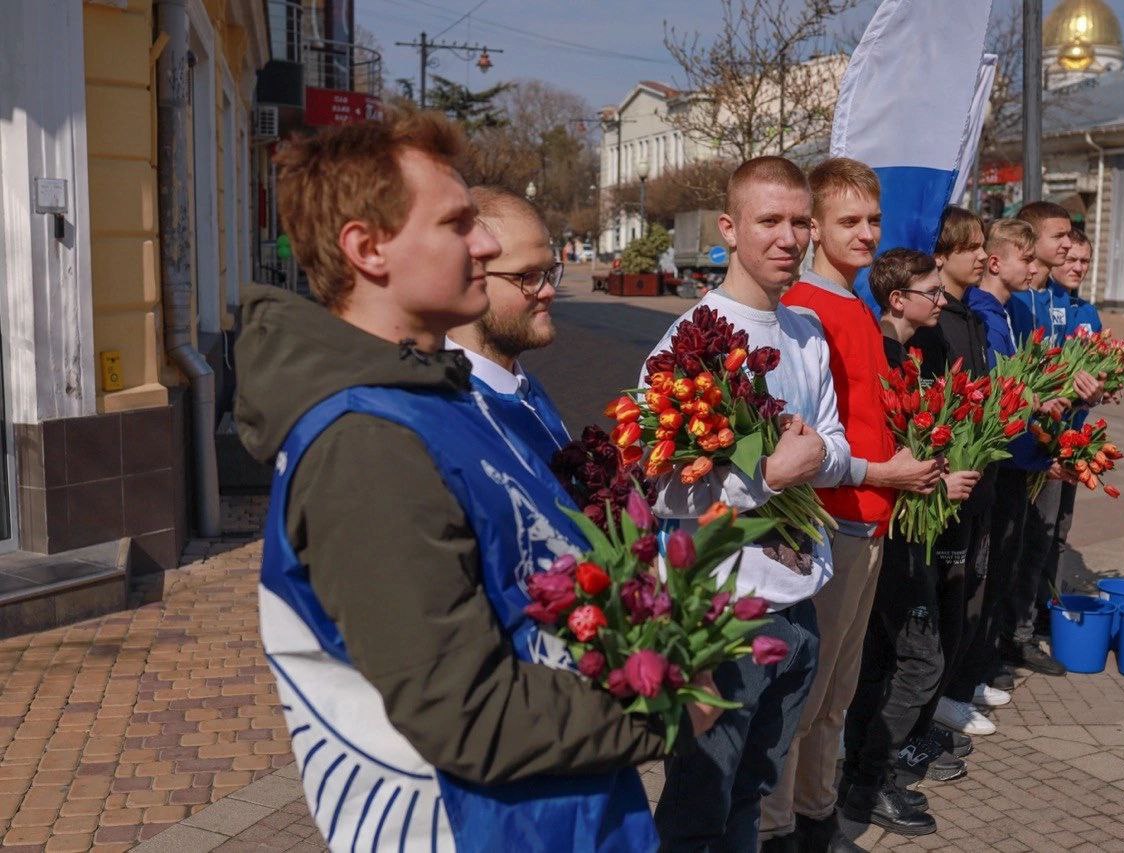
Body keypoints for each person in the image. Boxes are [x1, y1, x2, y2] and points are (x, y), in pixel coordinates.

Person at [235, 108, 716, 852]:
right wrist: (664, 705)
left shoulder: (447, 399)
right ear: (368, 248)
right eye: (458, 224)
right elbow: (466, 711)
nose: (485, 242)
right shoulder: (365, 443)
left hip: (569, 815)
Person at [646, 156, 849, 852]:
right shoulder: (687, 343)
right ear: (729, 229)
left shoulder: (806, 334)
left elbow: (832, 443)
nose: (788, 237)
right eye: (770, 221)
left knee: (754, 793)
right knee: (699, 805)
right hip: (725, 619)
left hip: (798, 606)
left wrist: (818, 457)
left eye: (800, 221)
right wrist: (766, 474)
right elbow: (666, 487)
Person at [758, 158, 943, 852]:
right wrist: (886, 469)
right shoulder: (808, 311)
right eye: (848, 221)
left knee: (837, 690)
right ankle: (778, 826)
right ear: (816, 230)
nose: (866, 233)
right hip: (834, 516)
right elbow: (809, 432)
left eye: (873, 221)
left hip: (870, 515)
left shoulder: (855, 305)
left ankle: (818, 814)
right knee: (804, 695)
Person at [840, 248, 981, 838]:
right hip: (892, 529)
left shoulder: (916, 351)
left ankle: (861, 780)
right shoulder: (882, 353)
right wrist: (934, 482)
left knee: (882, 661)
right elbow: (881, 450)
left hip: (908, 525)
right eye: (931, 291)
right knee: (920, 663)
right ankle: (874, 782)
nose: (941, 299)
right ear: (898, 299)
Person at [959, 219, 1068, 709]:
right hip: (991, 460)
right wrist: (1032, 399)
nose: (1034, 268)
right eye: (1027, 259)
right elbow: (996, 389)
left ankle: (980, 667)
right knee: (985, 571)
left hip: (1010, 456)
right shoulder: (982, 312)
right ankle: (967, 675)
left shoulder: (1004, 311)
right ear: (997, 261)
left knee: (1000, 566)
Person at [907, 205, 1003, 740]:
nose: (981, 255)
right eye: (969, 247)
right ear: (941, 256)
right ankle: (926, 713)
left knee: (968, 586)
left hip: (976, 482)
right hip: (943, 489)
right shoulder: (934, 324)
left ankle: (944, 697)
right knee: (944, 590)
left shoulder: (974, 318)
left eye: (983, 245)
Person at [1006, 205, 1104, 677]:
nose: (1070, 254)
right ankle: (1011, 634)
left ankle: (1026, 624)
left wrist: (1094, 390)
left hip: (1062, 441)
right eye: (1061, 240)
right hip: (1024, 445)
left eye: (1078, 250)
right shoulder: (1017, 301)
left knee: (1049, 536)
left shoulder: (1073, 308)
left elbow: (1085, 372)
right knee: (1022, 539)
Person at [447, 186, 569, 461]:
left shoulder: (524, 388)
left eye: (550, 272)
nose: (549, 290)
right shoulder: (454, 417)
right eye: (528, 276)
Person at [1008, 201, 1074, 347]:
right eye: (1059, 236)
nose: (1068, 244)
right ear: (1031, 238)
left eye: (1068, 235)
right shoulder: (1010, 294)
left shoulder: (1061, 296)